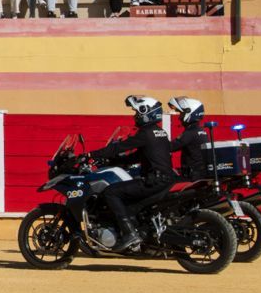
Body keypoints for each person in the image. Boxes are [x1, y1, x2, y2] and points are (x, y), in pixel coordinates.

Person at [87, 95, 175, 251]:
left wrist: (91, 155)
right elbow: (139, 156)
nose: (135, 116)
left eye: (136, 112)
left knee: (111, 192)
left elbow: (119, 147)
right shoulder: (160, 132)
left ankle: (129, 234)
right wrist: (114, 162)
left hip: (153, 181)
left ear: (145, 111)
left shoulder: (145, 133)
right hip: (165, 180)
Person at [166, 96, 211, 180]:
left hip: (192, 177)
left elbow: (170, 147)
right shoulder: (200, 130)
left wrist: (156, 141)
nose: (180, 117)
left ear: (189, 113)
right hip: (200, 173)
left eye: (181, 113)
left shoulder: (190, 133)